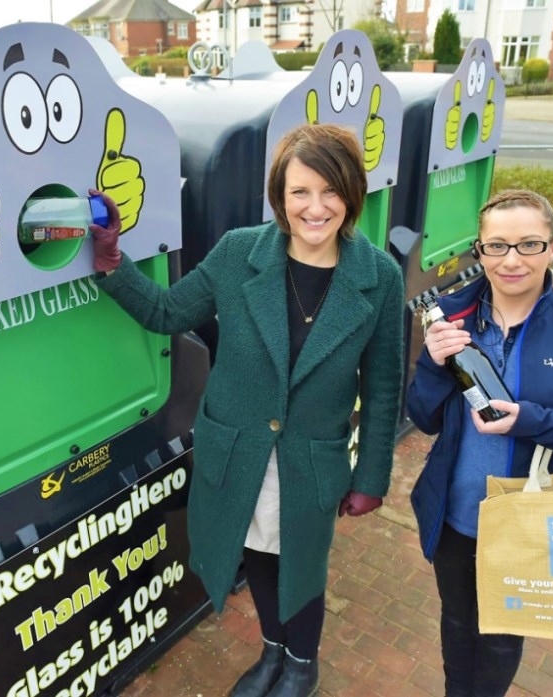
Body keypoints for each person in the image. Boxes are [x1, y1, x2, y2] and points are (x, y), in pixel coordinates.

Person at [90, 123, 405, 697]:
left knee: (302, 565)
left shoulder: (378, 276)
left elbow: (384, 387)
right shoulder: (240, 252)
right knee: (257, 550)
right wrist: (113, 260)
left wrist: (372, 476)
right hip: (239, 448)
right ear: (280, 197)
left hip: (311, 457)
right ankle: (273, 652)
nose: (316, 207)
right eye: (300, 192)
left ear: (352, 193)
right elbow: (166, 312)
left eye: (331, 191)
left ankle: (301, 666)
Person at [407, 189, 553, 697]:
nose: (512, 260)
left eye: (529, 244)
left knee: (500, 637)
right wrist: (433, 364)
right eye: (497, 246)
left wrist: (531, 420)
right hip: (456, 515)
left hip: (532, 522)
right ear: (480, 251)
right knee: (457, 622)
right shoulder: (452, 316)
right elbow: (422, 417)